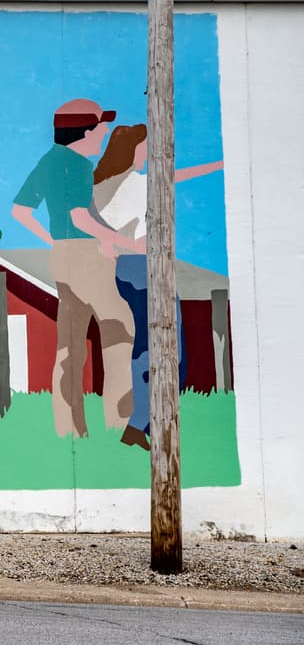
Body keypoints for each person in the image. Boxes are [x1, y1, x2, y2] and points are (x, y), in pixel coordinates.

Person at [12, 99, 140, 438]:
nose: (105, 132)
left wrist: (54, 241)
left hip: (63, 258)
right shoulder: (79, 165)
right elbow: (79, 216)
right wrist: (126, 243)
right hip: (86, 257)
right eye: (101, 126)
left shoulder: (48, 161)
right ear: (86, 131)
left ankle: (68, 431)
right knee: (119, 328)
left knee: (69, 346)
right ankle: (119, 425)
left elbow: (21, 211)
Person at [92, 124, 223, 449]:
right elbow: (173, 177)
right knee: (168, 348)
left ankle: (141, 423)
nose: (147, 155)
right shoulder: (133, 186)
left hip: (126, 270)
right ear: (130, 150)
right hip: (144, 268)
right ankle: (141, 423)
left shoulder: (101, 186)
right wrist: (219, 165)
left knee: (148, 343)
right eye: (144, 148)